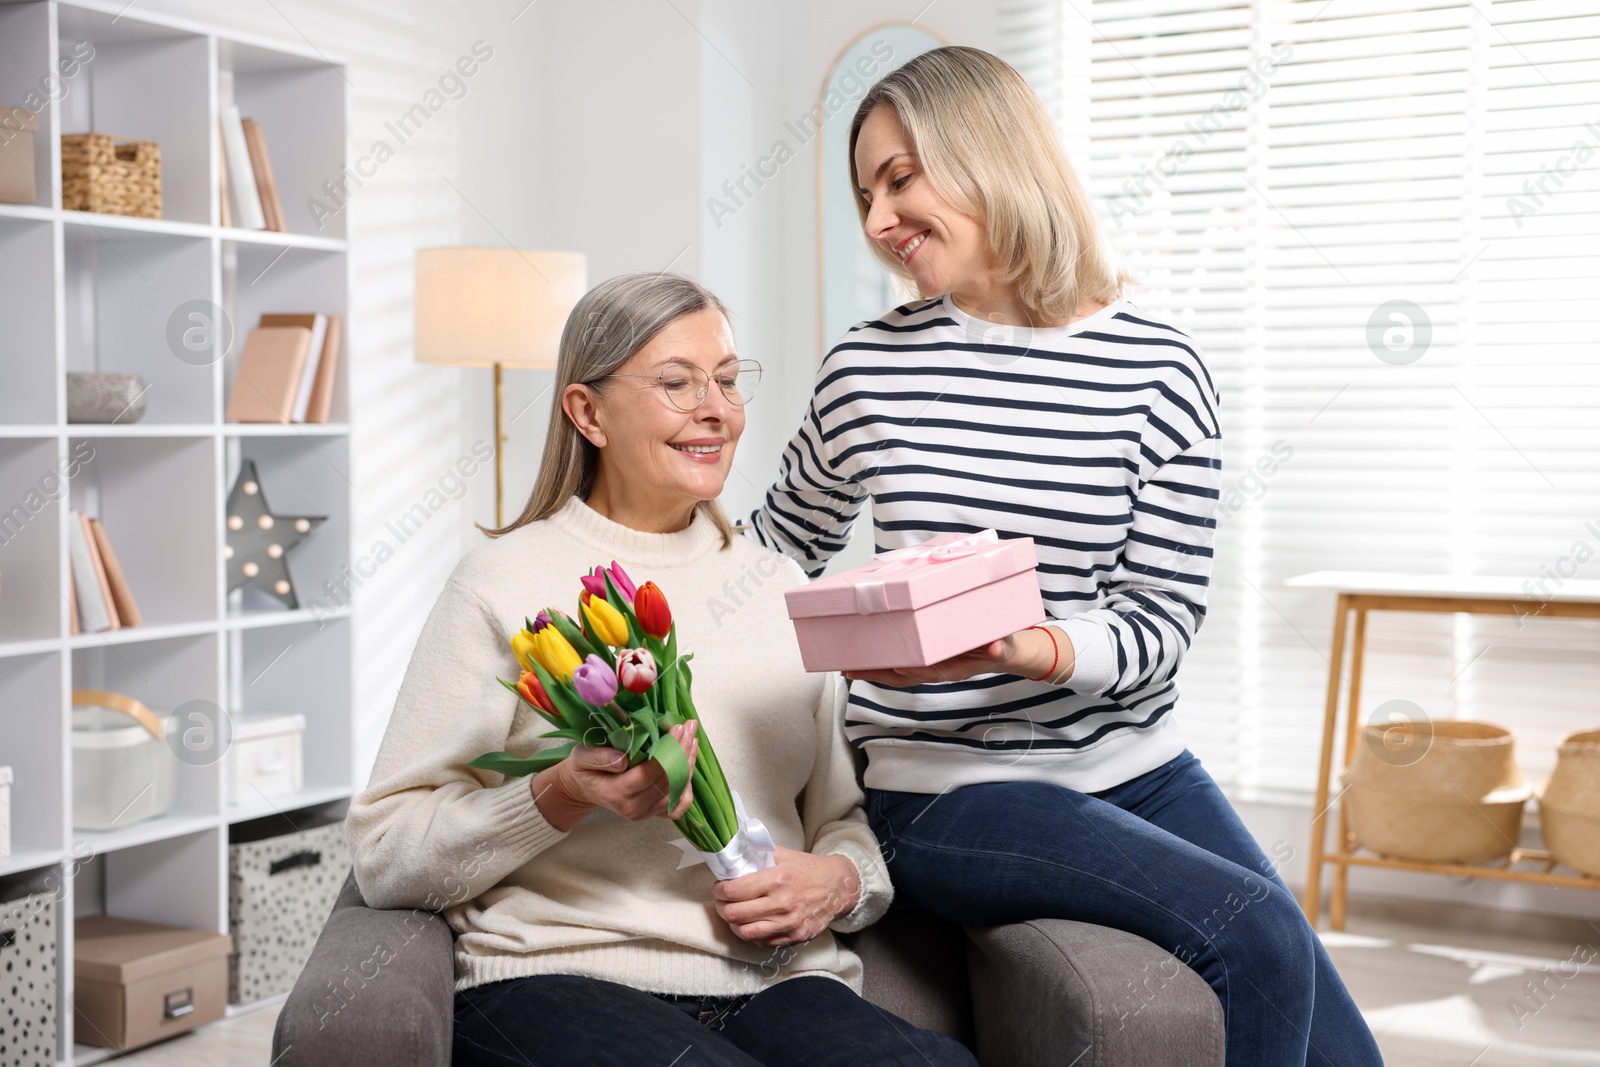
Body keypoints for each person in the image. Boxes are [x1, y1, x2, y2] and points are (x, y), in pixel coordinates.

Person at [746, 46, 1384, 1067]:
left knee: (1346, 1050)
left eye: (900, 178)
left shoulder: (1158, 370)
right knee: (1255, 929)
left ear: (990, 155)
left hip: (1137, 767)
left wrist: (1026, 644)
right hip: (942, 786)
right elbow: (770, 554)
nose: (876, 221)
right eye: (864, 192)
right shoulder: (866, 369)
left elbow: (1161, 627)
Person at [348, 272, 975, 1067]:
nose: (716, 409)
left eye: (726, 379)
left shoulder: (779, 585)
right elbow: (386, 851)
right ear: (587, 412)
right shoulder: (499, 584)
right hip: (555, 974)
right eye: (677, 383)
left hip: (779, 981)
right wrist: (557, 793)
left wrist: (841, 882)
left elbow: (840, 821)